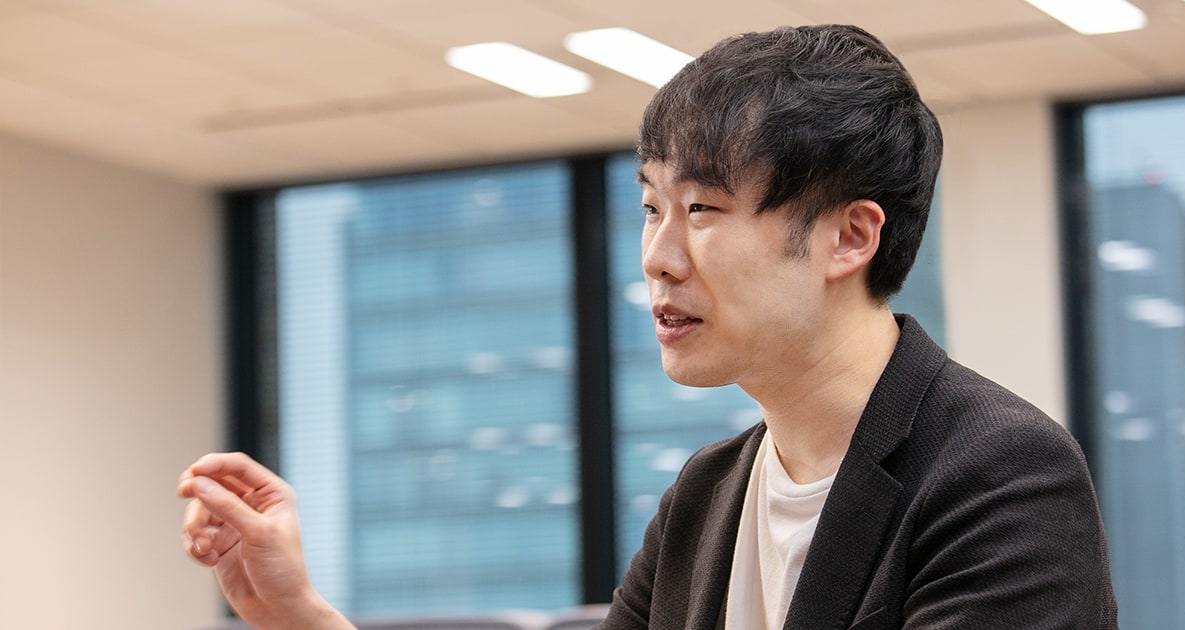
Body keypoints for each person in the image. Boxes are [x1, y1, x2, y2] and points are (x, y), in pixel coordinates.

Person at [179, 24, 1118, 629]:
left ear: (849, 236)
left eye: (703, 209)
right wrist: (301, 615)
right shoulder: (707, 495)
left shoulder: (997, 471)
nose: (660, 257)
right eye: (650, 207)